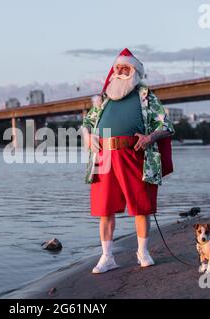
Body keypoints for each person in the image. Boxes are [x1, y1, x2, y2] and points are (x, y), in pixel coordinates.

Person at [81, 48, 175, 273]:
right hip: (103, 157)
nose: (121, 71)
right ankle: (107, 257)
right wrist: (87, 135)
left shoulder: (146, 96)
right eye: (118, 68)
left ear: (135, 71)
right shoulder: (103, 99)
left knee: (141, 207)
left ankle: (143, 252)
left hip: (135, 155)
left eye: (126, 68)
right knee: (105, 209)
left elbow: (167, 126)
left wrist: (150, 137)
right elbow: (86, 123)